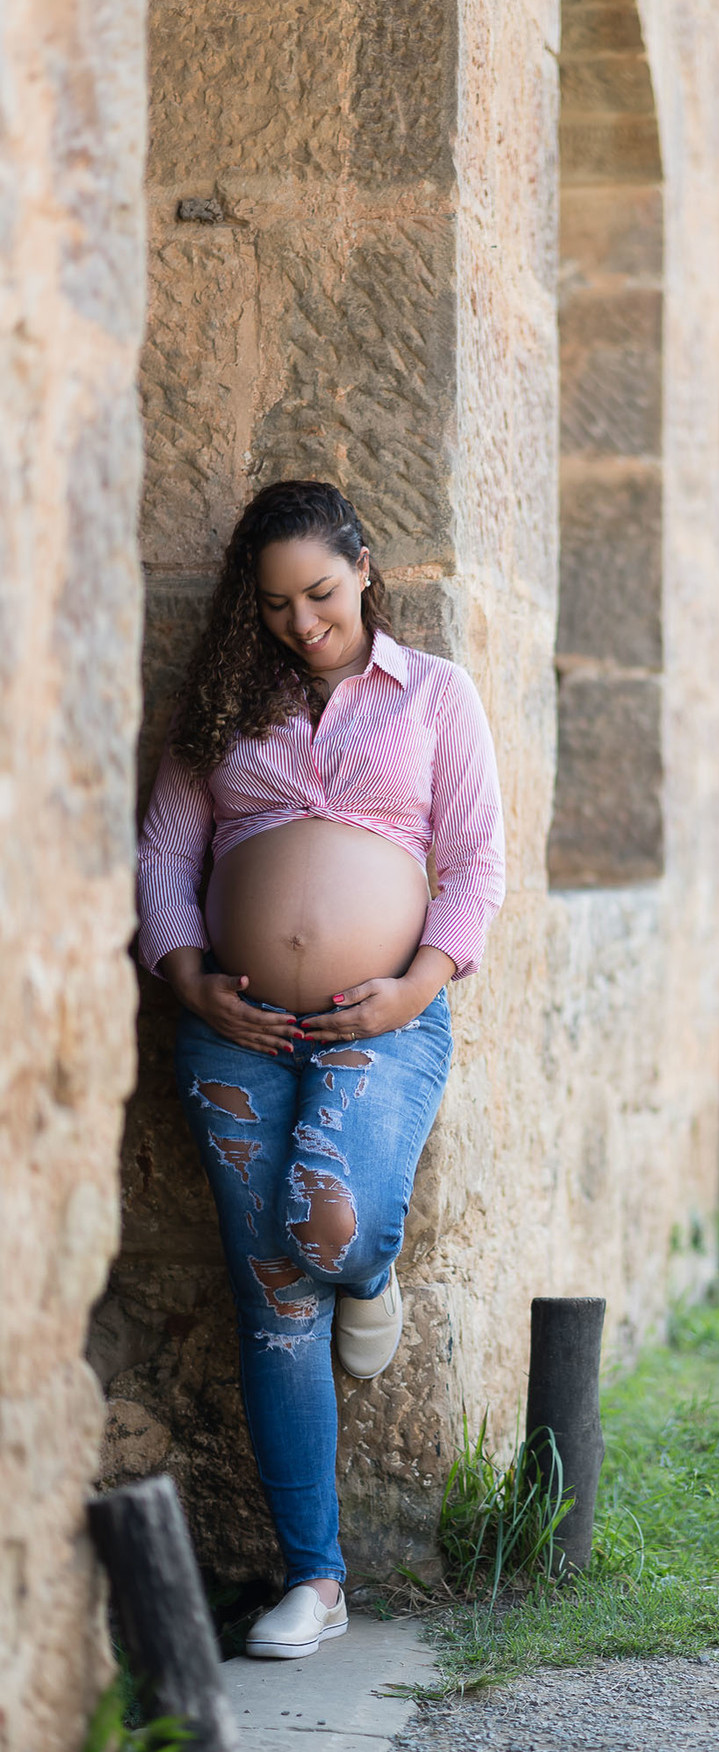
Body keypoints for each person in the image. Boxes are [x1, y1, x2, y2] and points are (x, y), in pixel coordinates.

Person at [136, 480, 505, 1659]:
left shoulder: (435, 696)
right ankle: (316, 1578)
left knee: (331, 1231)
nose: (303, 622)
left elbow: (478, 864)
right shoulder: (222, 706)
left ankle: (372, 1268)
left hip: (384, 1021)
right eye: (279, 604)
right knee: (273, 1299)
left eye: (323, 594)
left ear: (366, 571)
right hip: (231, 1035)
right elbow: (165, 852)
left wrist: (414, 983)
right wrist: (188, 976)